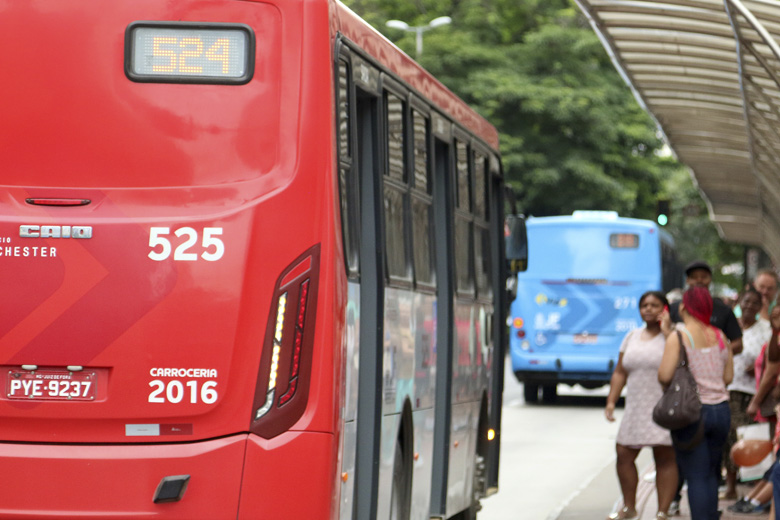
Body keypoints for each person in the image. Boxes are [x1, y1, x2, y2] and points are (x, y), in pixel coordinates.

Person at [658, 286, 734, 520]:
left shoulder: (679, 336)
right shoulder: (721, 336)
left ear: (683, 307)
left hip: (693, 414)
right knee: (711, 473)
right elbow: (728, 377)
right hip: (721, 411)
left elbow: (664, 375)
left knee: (697, 476)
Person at [605, 291, 677, 520]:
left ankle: (663, 510)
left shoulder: (674, 336)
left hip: (663, 407)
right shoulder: (631, 336)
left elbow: (682, 366)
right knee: (623, 453)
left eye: (654, 305)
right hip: (635, 408)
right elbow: (620, 371)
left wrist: (667, 332)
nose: (648, 309)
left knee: (665, 457)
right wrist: (611, 401)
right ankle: (629, 507)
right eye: (644, 305)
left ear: (665, 309)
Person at [723, 287, 770, 499]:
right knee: (731, 439)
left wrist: (759, 366)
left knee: (753, 439)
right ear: (740, 302)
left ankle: (753, 488)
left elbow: (771, 360)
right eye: (746, 302)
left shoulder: (766, 330)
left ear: (761, 307)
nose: (749, 306)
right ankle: (732, 487)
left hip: (754, 392)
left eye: (755, 303)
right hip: (730, 390)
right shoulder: (731, 328)